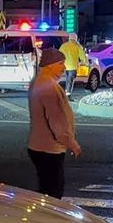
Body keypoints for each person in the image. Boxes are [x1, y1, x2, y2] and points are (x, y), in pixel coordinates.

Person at [28, 45, 81, 198]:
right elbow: (57, 121)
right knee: (53, 192)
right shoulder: (49, 87)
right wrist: (72, 143)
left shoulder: (38, 82)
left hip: (39, 145)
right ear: (50, 66)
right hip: (49, 148)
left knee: (46, 188)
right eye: (60, 64)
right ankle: (47, 221)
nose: (64, 67)